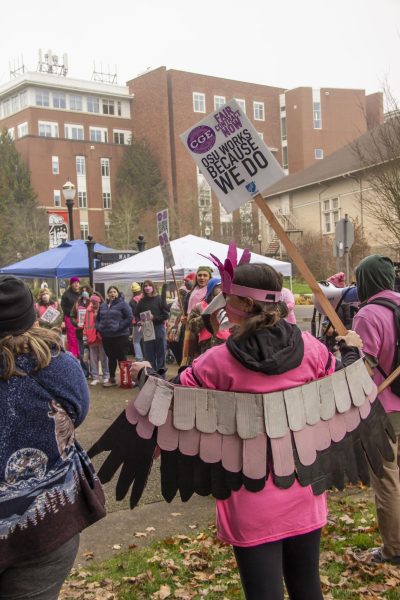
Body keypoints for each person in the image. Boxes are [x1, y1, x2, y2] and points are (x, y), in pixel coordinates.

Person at [131, 260, 364, 600]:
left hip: (249, 496)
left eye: (228, 297)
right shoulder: (313, 350)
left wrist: (143, 375)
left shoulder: (215, 363)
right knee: (307, 588)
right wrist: (352, 350)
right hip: (304, 488)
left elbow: (169, 403)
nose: (223, 304)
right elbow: (346, 395)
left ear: (243, 305)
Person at [0, 275, 105, 599]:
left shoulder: (58, 364)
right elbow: (78, 411)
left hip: (43, 524)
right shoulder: (58, 364)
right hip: (47, 526)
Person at [353, 254, 400, 565]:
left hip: (382, 408)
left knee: (387, 480)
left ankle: (394, 549)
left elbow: (362, 369)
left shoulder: (368, 315)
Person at [96, 285, 132, 387]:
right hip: (107, 336)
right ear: (108, 294)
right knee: (111, 358)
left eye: (114, 292)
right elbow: (98, 318)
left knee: (121, 357)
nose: (112, 294)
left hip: (120, 335)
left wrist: (119, 326)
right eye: (110, 292)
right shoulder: (103, 305)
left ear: (117, 293)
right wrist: (99, 327)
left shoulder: (123, 304)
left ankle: (125, 380)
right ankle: (112, 380)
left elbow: (129, 317)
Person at [135, 280, 169, 375]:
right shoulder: (141, 301)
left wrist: (155, 318)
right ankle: (152, 377)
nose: (147, 287)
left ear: (153, 287)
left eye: (149, 285)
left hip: (158, 328)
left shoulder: (159, 299)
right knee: (149, 356)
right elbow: (136, 314)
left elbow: (166, 315)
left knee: (161, 354)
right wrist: (139, 321)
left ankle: (161, 377)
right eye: (145, 286)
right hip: (147, 330)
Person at [187, 277, 230, 354]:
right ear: (211, 288)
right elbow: (191, 326)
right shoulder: (199, 306)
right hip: (206, 347)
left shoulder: (229, 305)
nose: (222, 290)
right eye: (219, 287)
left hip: (225, 345)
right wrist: (206, 315)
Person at [182, 266, 213, 364]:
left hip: (204, 326)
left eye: (205, 275)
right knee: (190, 353)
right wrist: (185, 317)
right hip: (190, 326)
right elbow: (187, 307)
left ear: (209, 277)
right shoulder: (192, 291)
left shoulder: (211, 292)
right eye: (199, 275)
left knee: (202, 355)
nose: (202, 278)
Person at [84, 294, 110, 386]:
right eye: (92, 302)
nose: (93, 304)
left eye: (95, 302)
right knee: (93, 359)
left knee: (104, 358)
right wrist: (85, 336)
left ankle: (105, 376)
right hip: (91, 337)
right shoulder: (88, 311)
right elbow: (85, 324)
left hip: (101, 337)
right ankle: (95, 377)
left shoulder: (103, 309)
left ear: (99, 302)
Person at [70, 290, 91, 378]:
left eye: (87, 290)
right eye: (83, 291)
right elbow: (72, 316)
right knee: (83, 353)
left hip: (91, 332)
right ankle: (85, 372)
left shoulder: (93, 302)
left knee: (93, 354)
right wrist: (76, 323)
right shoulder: (77, 304)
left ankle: (94, 373)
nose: (85, 293)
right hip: (80, 332)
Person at [61, 276, 81, 358]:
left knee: (80, 336)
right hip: (69, 317)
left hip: (80, 317)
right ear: (71, 284)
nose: (76, 284)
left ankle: (81, 353)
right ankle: (74, 355)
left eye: (77, 282)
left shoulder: (83, 293)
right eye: (74, 282)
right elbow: (62, 308)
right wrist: (63, 320)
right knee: (72, 337)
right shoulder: (66, 294)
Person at [129, 282, 144, 361]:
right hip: (146, 322)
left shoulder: (132, 301)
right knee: (147, 340)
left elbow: (133, 314)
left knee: (136, 341)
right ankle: (148, 357)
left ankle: (139, 358)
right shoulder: (144, 297)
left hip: (136, 324)